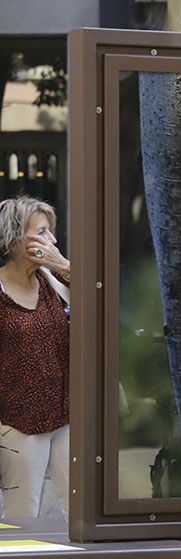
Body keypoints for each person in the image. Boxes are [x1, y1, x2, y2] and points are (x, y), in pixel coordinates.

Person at [0, 196, 71, 519]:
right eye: (42, 232)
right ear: (16, 238)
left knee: (83, 512)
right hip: (18, 422)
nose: (53, 241)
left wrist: (63, 265)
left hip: (66, 415)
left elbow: (102, 304)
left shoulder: (52, 281)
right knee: (21, 517)